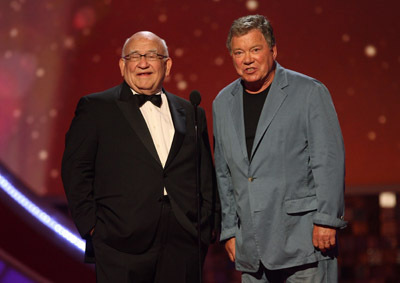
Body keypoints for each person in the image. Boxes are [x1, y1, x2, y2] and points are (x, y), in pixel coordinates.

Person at [62, 31, 219, 283]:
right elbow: (76, 169)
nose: (142, 63)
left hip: (184, 242)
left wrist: (206, 226)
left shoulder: (191, 111)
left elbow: (204, 174)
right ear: (123, 65)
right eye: (134, 56)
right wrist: (92, 227)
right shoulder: (96, 108)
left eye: (152, 56)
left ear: (167, 65)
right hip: (120, 243)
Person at [213, 15, 346, 282]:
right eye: (239, 52)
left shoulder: (309, 92)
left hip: (303, 240)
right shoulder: (222, 103)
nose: (247, 59)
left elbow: (328, 160)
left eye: (255, 49)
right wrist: (229, 230)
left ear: (273, 50)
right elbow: (224, 173)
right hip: (251, 249)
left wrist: (327, 220)